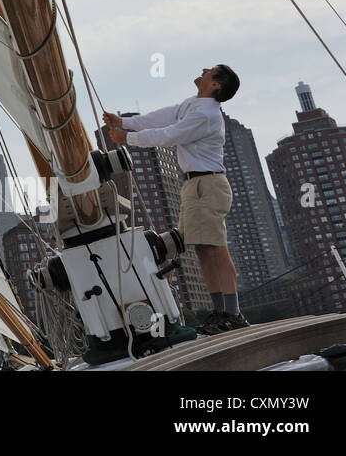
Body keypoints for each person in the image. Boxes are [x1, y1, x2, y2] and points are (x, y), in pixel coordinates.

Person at [104, 64, 246, 335]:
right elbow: (161, 118)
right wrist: (123, 122)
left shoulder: (205, 115)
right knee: (203, 249)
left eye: (211, 70)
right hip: (195, 184)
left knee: (216, 248)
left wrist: (128, 137)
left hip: (208, 183)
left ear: (216, 84)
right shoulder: (193, 105)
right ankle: (221, 312)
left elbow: (169, 135)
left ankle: (234, 313)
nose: (204, 69)